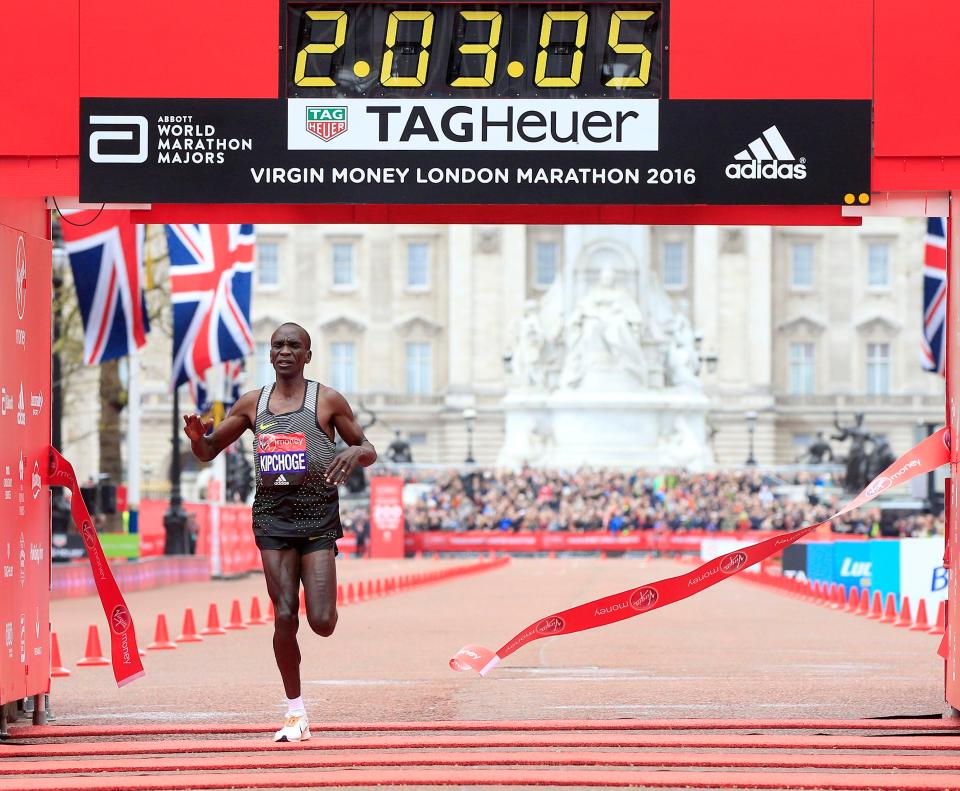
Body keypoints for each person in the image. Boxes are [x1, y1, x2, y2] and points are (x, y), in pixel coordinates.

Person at [182, 322, 377, 743]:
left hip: (317, 517)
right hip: (272, 517)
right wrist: (198, 438)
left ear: (308, 355)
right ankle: (295, 711)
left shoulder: (325, 400)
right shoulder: (254, 403)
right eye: (278, 345)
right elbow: (209, 451)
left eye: (294, 345)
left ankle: (304, 680)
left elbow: (368, 448)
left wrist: (351, 450)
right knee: (284, 612)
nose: (285, 351)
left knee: (322, 621)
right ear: (269, 355)